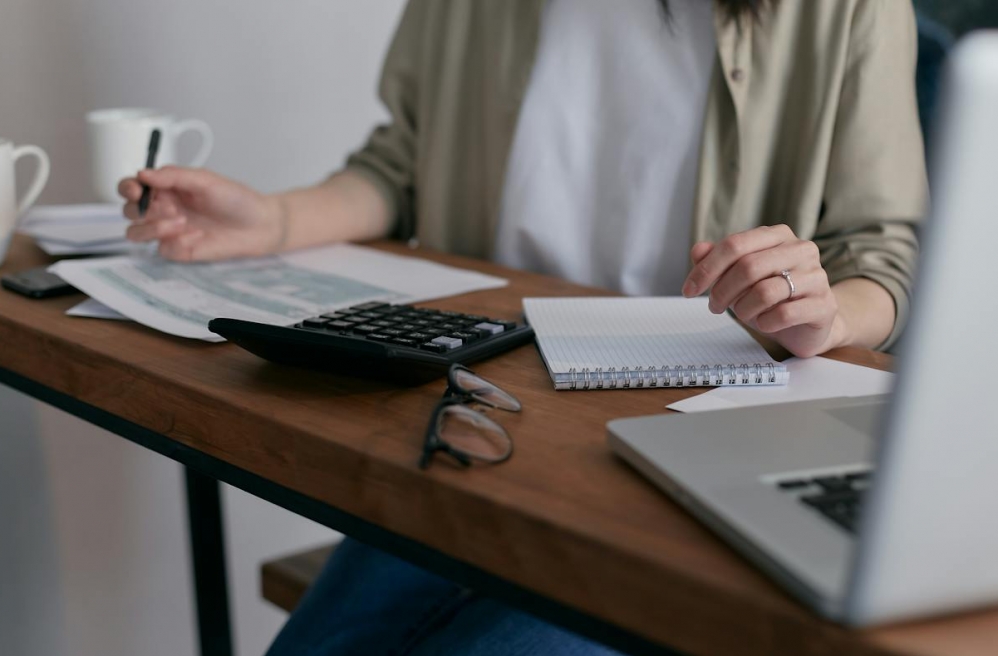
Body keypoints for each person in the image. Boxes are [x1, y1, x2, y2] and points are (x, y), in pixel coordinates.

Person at [119, 0, 927, 653]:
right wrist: (273, 218)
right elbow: (400, 165)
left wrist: (822, 312)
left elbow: (883, 254)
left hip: (699, 434)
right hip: (482, 415)